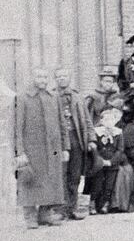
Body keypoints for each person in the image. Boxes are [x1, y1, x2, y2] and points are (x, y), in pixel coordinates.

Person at [16, 68, 68, 229]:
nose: (43, 80)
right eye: (39, 76)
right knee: (30, 181)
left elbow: (62, 123)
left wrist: (65, 147)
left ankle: (45, 214)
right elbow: (17, 127)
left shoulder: (54, 97)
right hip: (32, 149)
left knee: (51, 181)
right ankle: (30, 216)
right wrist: (20, 152)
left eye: (45, 77)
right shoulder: (23, 98)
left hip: (52, 148)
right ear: (32, 78)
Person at [54, 67, 97, 220]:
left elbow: (87, 119)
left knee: (75, 175)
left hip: (76, 138)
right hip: (59, 141)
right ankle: (60, 209)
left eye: (64, 76)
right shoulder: (52, 97)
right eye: (58, 76)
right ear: (55, 79)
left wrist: (91, 139)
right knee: (61, 174)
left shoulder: (77, 97)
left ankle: (72, 207)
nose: (62, 79)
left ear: (69, 77)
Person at [89, 105, 127, 215]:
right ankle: (93, 204)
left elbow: (120, 150)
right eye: (106, 120)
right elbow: (95, 148)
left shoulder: (118, 133)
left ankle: (105, 204)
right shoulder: (97, 132)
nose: (109, 122)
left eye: (111, 119)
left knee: (109, 185)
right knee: (97, 184)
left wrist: (111, 162)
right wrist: (100, 160)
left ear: (115, 121)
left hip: (112, 163)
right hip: (99, 163)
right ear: (101, 121)